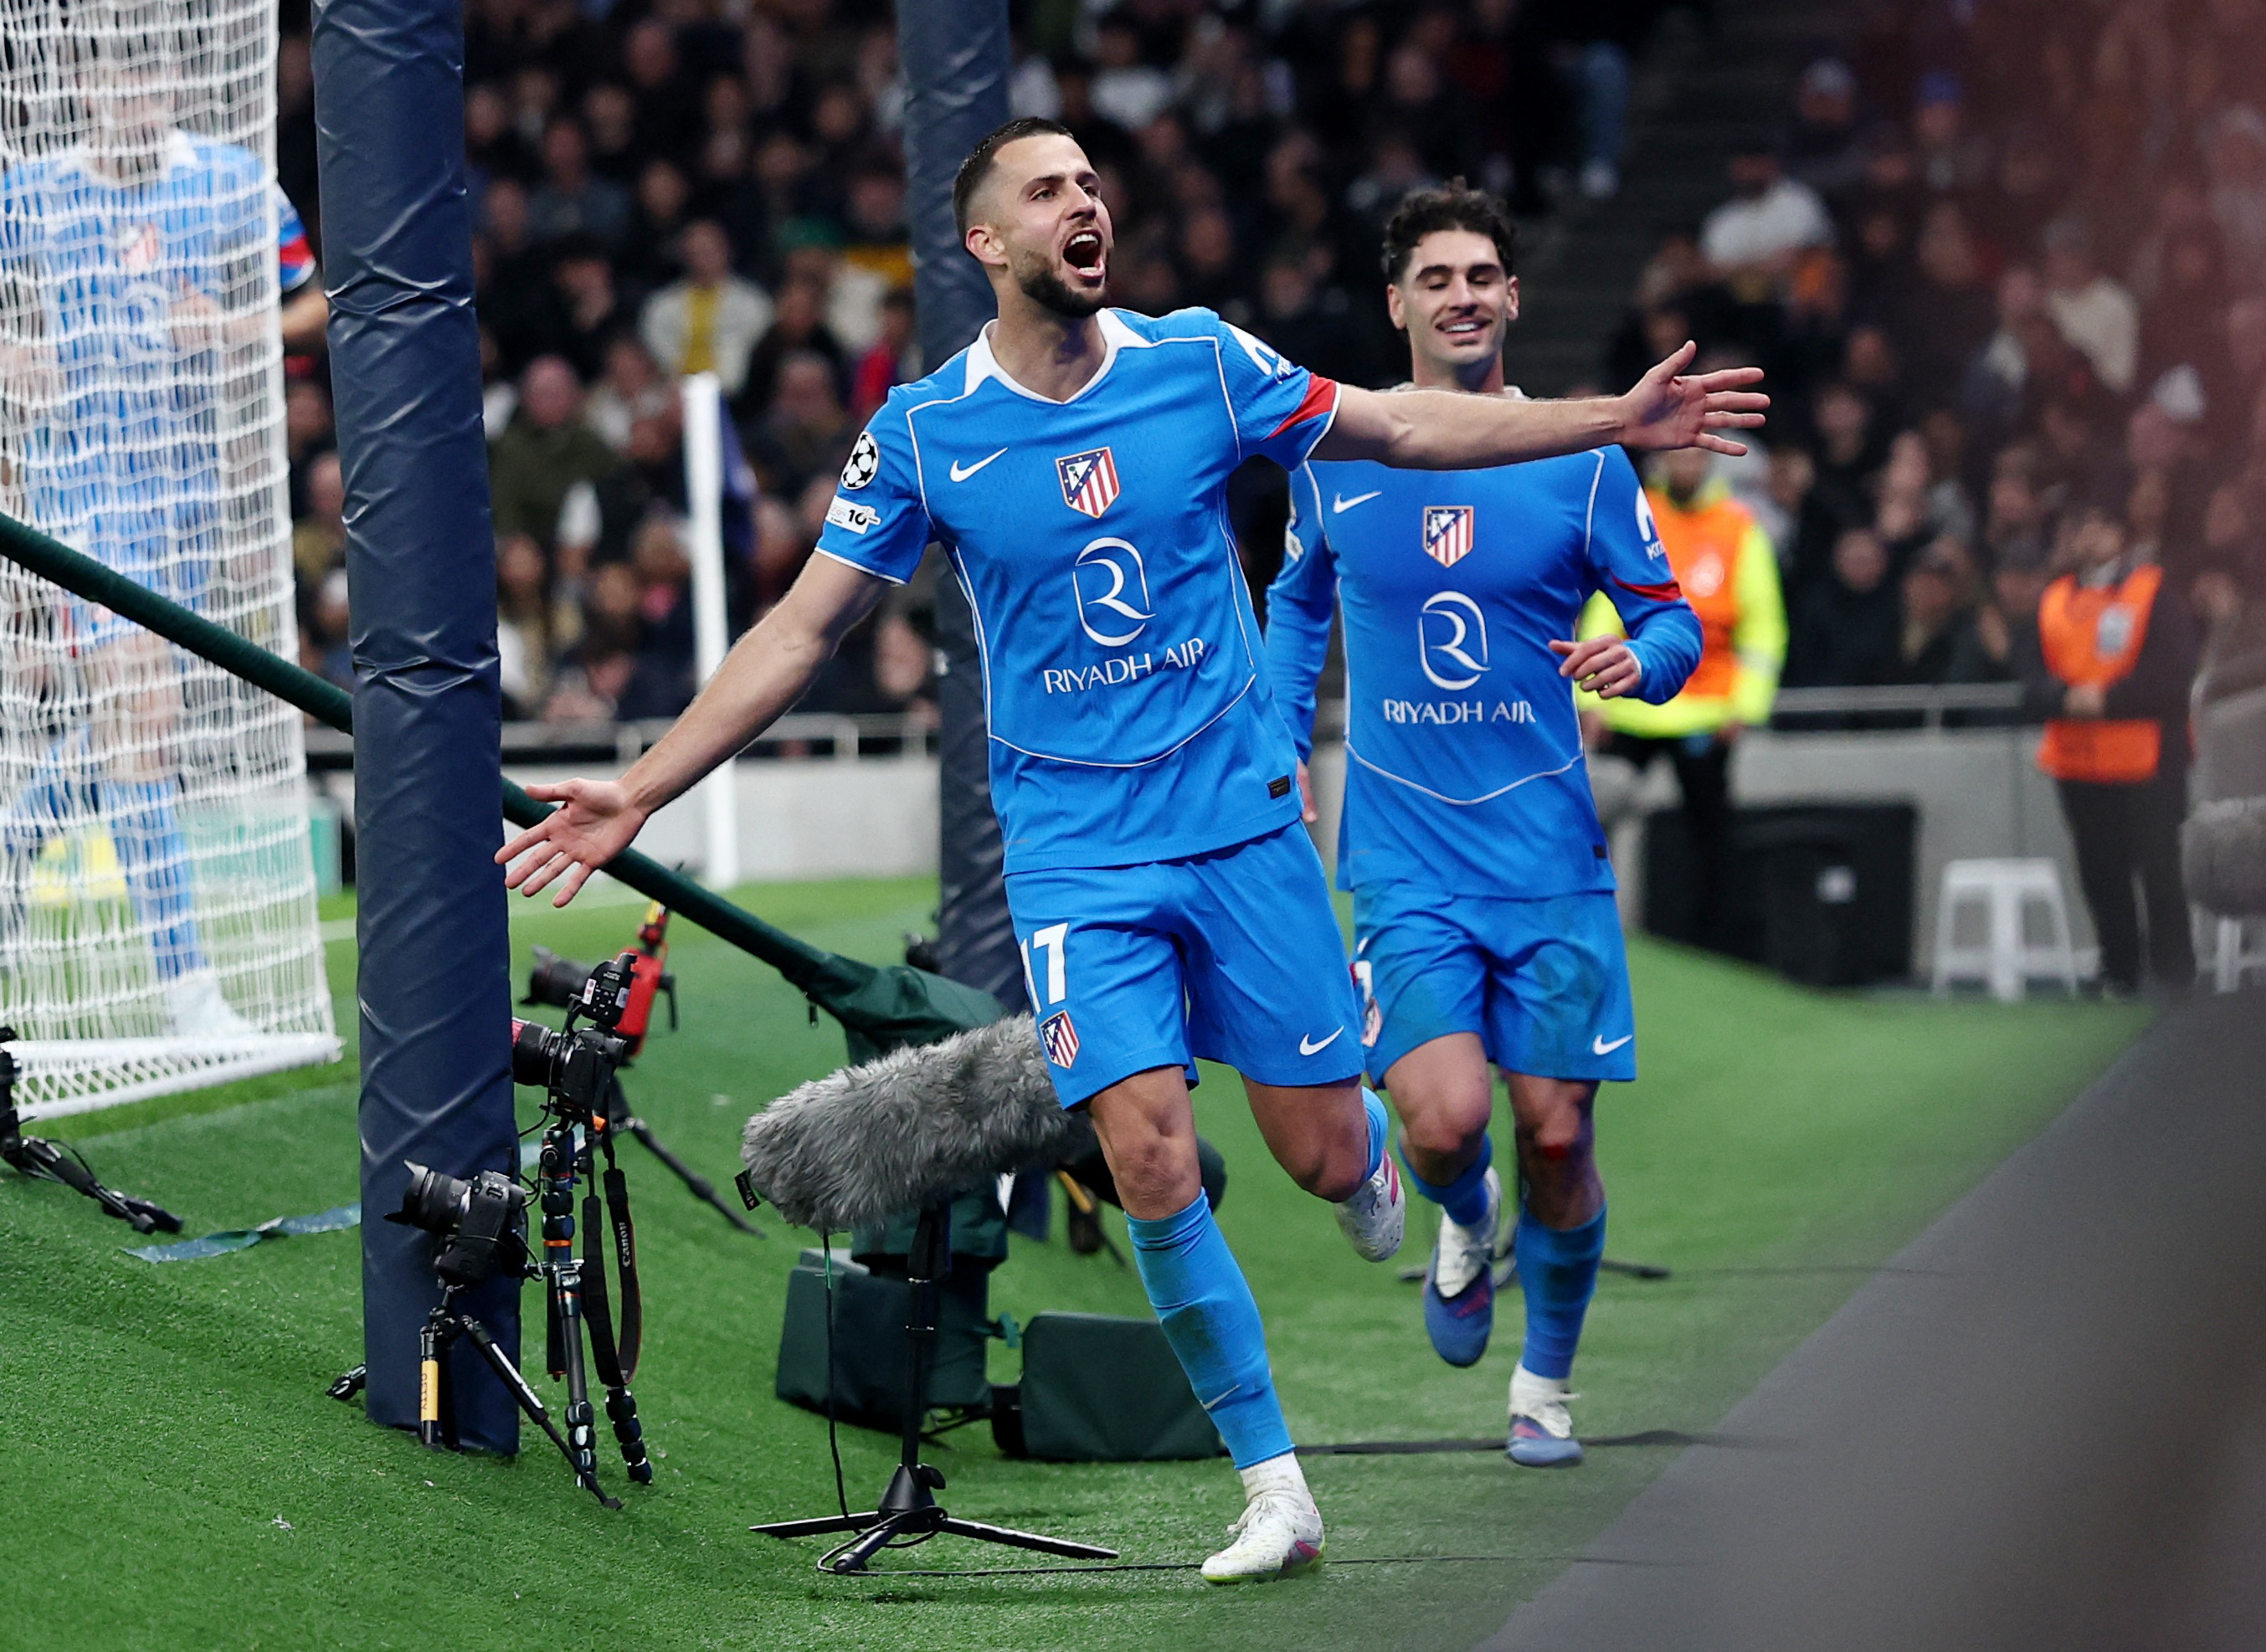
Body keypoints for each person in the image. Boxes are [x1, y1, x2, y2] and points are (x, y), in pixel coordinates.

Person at [495, 117, 1764, 1582]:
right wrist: (640, 788)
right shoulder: (923, 430)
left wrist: (1615, 416)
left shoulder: (1204, 364)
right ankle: (1274, 1482)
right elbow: (798, 628)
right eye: (1049, 189)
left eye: (1093, 183)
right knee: (1146, 1143)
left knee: (1327, 1150)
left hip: (1238, 827)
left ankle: (1373, 1182)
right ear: (987, 243)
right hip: (1078, 859)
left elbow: (1408, 425)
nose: (1085, 202)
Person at [1263, 182, 1702, 1467]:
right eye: (1434, 276)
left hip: (1546, 859)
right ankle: (1463, 1217)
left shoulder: (1579, 457)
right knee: (1444, 1122)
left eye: (1480, 276)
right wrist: (1281, 741)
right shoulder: (1332, 454)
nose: (1459, 295)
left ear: (1511, 297)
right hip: (1402, 854)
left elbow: (1670, 615)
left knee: (1557, 1128)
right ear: (1395, 300)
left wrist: (1644, 663)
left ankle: (1544, 1390)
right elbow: (1294, 606)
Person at [0, 49, 326, 1036]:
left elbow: (322, 300)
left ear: (176, 86)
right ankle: (189, 993)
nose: (128, 96)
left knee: (132, 733)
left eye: (146, 79)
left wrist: (232, 331)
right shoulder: (31, 195)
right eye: (109, 78)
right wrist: (16, 362)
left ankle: (11, 855)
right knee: (141, 726)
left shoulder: (230, 183)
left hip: (188, 495)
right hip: (78, 494)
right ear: (79, 87)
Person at [1580, 448, 1785, 952]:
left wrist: (1746, 708)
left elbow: (1762, 627)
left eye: (1695, 457)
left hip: (1706, 711)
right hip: (1632, 704)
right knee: (1590, 822)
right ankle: (1589, 924)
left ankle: (1714, 943)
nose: (1686, 466)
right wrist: (1589, 699)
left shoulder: (1738, 527)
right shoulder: (1638, 512)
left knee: (1710, 835)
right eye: (1678, 457)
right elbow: (1605, 605)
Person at [2026, 497, 2201, 994]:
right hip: (2079, 762)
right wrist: (2062, 696)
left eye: (2099, 525)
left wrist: (2106, 700)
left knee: (2161, 868)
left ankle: (2173, 971)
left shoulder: (2154, 592)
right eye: (2079, 524)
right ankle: (2118, 970)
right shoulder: (2054, 599)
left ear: (2120, 534)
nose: (2087, 535)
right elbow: (2031, 671)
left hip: (2148, 759)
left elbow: (2173, 672)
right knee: (2101, 871)